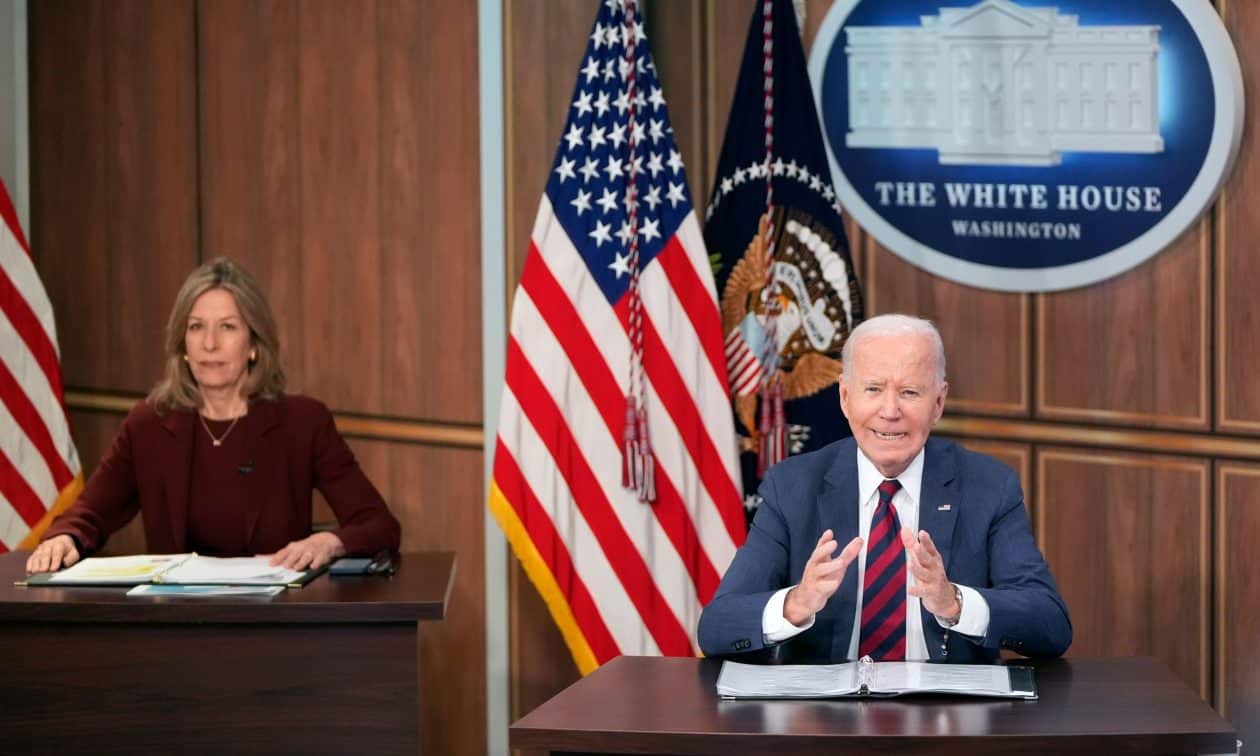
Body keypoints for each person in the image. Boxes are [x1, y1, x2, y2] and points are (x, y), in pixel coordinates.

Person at [697, 314, 1070, 664]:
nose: (890, 411)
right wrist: (797, 602)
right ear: (845, 398)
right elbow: (716, 628)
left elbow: (1050, 624)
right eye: (873, 389)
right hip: (825, 710)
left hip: (946, 707)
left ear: (938, 403)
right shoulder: (792, 487)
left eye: (909, 392)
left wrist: (955, 603)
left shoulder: (988, 486)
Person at [25, 258, 401, 574]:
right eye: (196, 327)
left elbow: (379, 524)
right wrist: (65, 537)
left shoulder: (302, 423)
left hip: (275, 621)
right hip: (179, 622)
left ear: (254, 344)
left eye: (227, 327)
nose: (209, 344)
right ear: (183, 345)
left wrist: (330, 542)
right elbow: (89, 513)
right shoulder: (150, 424)